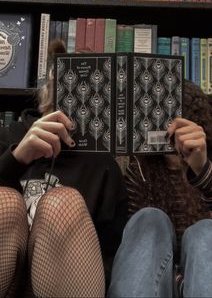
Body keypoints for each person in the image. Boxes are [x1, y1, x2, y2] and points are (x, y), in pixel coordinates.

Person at [0, 39, 128, 297]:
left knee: (63, 203)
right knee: (5, 202)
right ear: (48, 89)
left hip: (67, 281)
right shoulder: (9, 136)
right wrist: (17, 159)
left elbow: (113, 251)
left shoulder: (102, 163)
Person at [108, 80, 212, 298]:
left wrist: (202, 169)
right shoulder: (140, 170)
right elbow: (140, 255)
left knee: (207, 232)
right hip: (156, 285)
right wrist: (179, 284)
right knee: (148, 218)